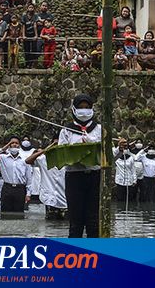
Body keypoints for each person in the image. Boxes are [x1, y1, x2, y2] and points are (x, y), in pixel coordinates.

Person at [61, 94, 102, 237]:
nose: (84, 111)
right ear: (74, 109)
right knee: (75, 220)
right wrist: (76, 151)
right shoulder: (66, 130)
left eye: (87, 107)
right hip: (74, 177)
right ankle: (74, 254)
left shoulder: (99, 129)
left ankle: (96, 253)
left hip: (94, 177)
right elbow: (62, 154)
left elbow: (108, 155)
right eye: (80, 107)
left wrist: (119, 149)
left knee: (94, 220)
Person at [0, 136, 32, 212]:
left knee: (19, 212)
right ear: (9, 145)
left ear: (19, 145)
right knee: (5, 212)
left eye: (16, 143)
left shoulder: (25, 159)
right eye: (12, 143)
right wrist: (3, 148)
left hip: (20, 189)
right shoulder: (2, 158)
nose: (14, 145)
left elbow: (29, 177)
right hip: (7, 188)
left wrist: (28, 194)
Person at [26, 139, 68, 220]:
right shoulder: (43, 159)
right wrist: (45, 150)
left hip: (64, 199)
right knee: (50, 226)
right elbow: (28, 160)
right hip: (50, 199)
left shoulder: (68, 160)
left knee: (65, 226)